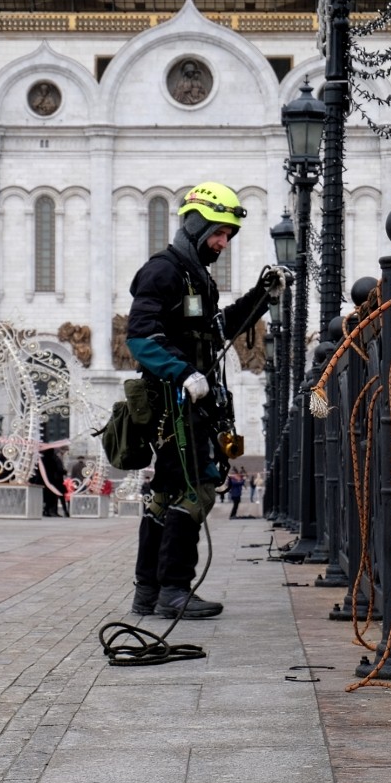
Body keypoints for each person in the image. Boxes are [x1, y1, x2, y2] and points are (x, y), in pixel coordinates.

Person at [125, 181, 278, 619]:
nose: (222, 242)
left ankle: (148, 592)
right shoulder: (164, 271)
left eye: (228, 235)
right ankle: (173, 588)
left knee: (166, 493)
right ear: (195, 225)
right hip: (173, 404)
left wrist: (261, 296)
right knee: (194, 490)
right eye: (218, 232)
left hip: (193, 403)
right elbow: (141, 337)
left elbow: (218, 329)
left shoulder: (197, 277)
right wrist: (185, 372)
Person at [39, 446, 68, 517]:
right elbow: (58, 469)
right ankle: (56, 511)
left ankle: (47, 510)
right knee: (56, 496)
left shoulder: (45, 459)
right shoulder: (56, 458)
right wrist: (64, 472)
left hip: (49, 480)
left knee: (50, 496)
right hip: (56, 480)